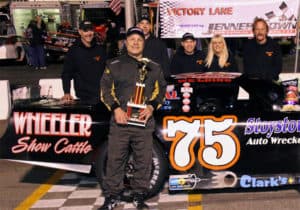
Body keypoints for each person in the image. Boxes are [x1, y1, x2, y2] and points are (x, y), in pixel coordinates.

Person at [99, 26, 166, 210]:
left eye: (139, 39)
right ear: (125, 42)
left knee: (143, 161)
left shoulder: (154, 67)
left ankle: (139, 196)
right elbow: (105, 90)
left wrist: (152, 106)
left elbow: (161, 91)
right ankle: (112, 197)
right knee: (115, 160)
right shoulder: (113, 65)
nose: (135, 42)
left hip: (144, 123)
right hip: (121, 122)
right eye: (132, 39)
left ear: (144, 43)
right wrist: (115, 109)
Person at [61, 20, 106, 104]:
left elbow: (107, 71)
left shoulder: (100, 49)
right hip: (84, 98)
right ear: (80, 32)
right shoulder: (73, 51)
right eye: (85, 30)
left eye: (91, 30)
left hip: (103, 96)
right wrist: (66, 92)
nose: (89, 33)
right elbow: (66, 73)